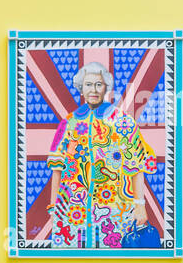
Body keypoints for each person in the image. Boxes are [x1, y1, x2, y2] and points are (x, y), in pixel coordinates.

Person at [47, 61, 156, 251]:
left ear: (106, 87)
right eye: (88, 84)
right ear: (81, 88)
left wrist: (140, 205)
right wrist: (53, 206)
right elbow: (57, 168)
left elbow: (137, 166)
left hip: (114, 209)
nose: (93, 89)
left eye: (98, 84)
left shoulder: (123, 122)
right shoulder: (68, 123)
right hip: (72, 210)